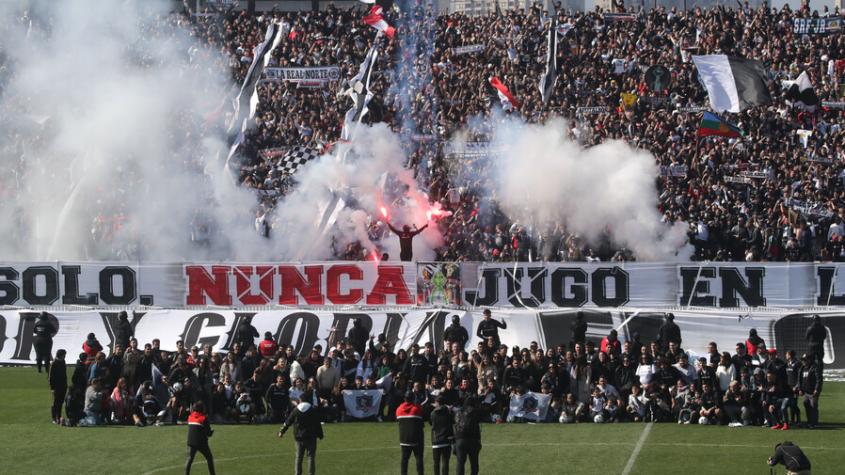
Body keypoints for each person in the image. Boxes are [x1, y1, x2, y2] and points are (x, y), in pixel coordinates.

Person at [278, 392, 324, 475]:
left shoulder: (295, 410)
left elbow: (288, 421)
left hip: (299, 437)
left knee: (299, 457)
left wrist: (282, 431)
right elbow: (317, 423)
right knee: (310, 457)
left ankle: (298, 473)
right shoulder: (312, 409)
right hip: (311, 437)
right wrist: (320, 434)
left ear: (300, 400)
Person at [397, 392, 424, 475]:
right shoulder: (417, 408)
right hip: (417, 438)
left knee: (404, 459)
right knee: (419, 458)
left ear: (404, 398)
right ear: (413, 398)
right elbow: (422, 419)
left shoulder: (399, 409)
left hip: (404, 438)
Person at [185, 401, 216, 475]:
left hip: (191, 442)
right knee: (209, 458)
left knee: (190, 459)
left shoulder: (190, 417)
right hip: (201, 442)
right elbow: (208, 433)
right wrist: (211, 432)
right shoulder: (204, 418)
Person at [453, 396, 482, 475]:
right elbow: (477, 427)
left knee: (460, 463)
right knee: (474, 463)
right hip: (472, 439)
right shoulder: (475, 411)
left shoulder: (458, 412)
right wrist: (479, 441)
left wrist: (455, 441)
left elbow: (456, 426)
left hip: (460, 439)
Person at [430, 395, 454, 475]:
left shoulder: (433, 413)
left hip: (435, 440)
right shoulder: (447, 413)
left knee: (436, 463)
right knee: (445, 462)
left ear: (437, 403)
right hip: (446, 440)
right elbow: (451, 423)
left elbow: (431, 423)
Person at [796, 354, 822, 429]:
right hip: (806, 392)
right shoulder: (802, 368)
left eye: (805, 360)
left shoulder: (814, 368)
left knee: (813, 406)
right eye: (802, 360)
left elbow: (818, 379)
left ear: (809, 360)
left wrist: (816, 389)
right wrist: (800, 389)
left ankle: (814, 423)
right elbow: (799, 380)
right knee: (806, 405)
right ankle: (809, 421)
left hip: (813, 391)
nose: (803, 361)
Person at [49, 349, 67, 424]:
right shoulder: (54, 363)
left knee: (61, 402)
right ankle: (54, 418)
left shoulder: (63, 362)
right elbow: (51, 376)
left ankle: (58, 417)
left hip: (63, 385)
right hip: (56, 386)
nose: (65, 356)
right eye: (64, 354)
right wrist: (52, 388)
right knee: (56, 402)